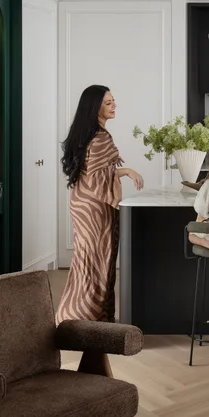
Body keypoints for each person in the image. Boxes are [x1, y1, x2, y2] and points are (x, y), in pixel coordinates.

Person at [55, 85, 143, 323]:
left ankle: (77, 314)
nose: (114, 105)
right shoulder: (101, 136)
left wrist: (118, 170)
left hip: (82, 201)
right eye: (108, 103)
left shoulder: (85, 134)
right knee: (99, 260)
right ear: (94, 107)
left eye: (113, 101)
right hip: (96, 207)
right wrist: (126, 171)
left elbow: (91, 173)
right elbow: (97, 178)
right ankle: (93, 317)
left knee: (86, 260)